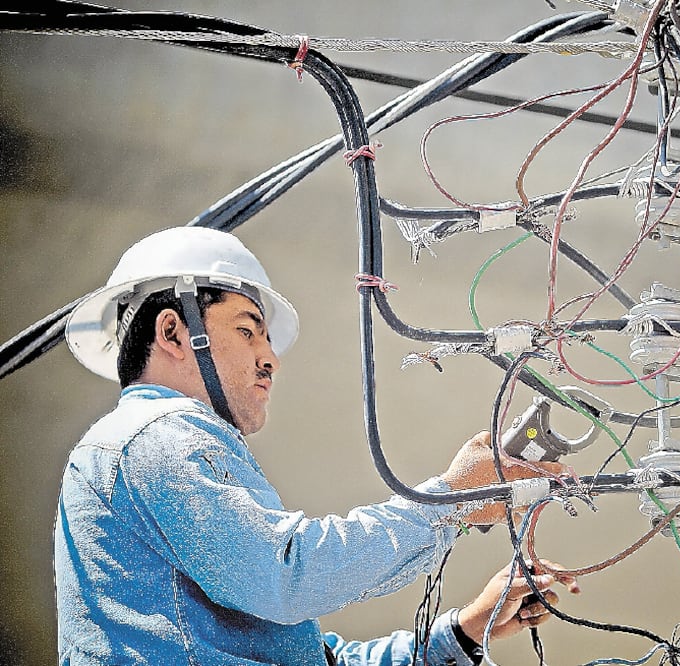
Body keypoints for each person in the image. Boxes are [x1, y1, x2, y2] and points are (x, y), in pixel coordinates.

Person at [55, 226, 579, 665]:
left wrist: (465, 629)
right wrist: (447, 501)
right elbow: (288, 577)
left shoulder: (161, 455)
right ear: (172, 332)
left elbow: (321, 657)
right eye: (248, 331)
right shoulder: (156, 437)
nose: (270, 359)